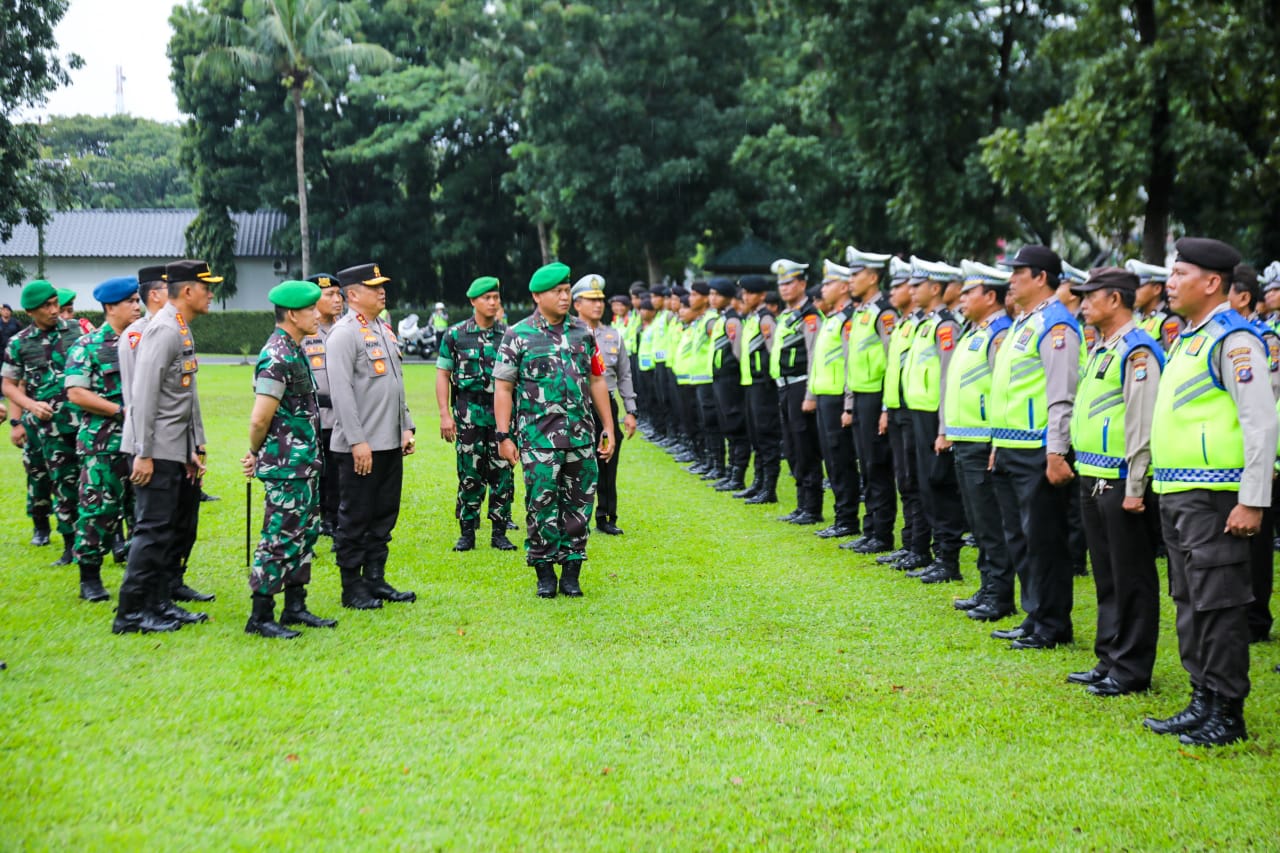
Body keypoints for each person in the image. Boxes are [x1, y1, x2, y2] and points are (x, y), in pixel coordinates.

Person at [1143, 237, 1276, 746]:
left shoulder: (1234, 340)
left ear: (1212, 282)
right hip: (1179, 490)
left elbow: (1260, 423)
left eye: (1181, 274)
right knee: (1189, 600)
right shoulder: (1189, 338)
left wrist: (1252, 499)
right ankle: (1201, 697)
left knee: (1219, 603)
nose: (1170, 283)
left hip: (1215, 495)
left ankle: (1227, 711)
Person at [1067, 267, 1163, 696]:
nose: (1084, 303)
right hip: (1093, 473)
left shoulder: (1137, 350)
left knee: (1132, 577)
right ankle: (1109, 656)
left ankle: (1131, 667)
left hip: (1121, 478)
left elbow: (1141, 423)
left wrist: (1136, 485)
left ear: (1115, 300)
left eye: (1091, 296)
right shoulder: (1104, 346)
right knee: (1107, 574)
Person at [494, 262, 616, 598]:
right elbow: (503, 387)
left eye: (566, 291)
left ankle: (572, 572)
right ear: (537, 296)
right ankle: (545, 572)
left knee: (580, 506)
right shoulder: (518, 334)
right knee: (541, 505)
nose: (565, 297)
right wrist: (503, 435)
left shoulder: (582, 333)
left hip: (580, 437)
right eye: (557, 292)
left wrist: (608, 425)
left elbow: (596, 379)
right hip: (538, 440)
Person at [114, 260, 219, 634]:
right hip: (153, 449)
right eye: (206, 287)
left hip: (170, 448)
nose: (211, 294)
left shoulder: (179, 326)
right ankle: (130, 613)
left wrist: (188, 448)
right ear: (187, 291)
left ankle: (158, 603)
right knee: (152, 530)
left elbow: (179, 400)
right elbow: (143, 396)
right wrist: (143, 452)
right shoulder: (163, 329)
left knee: (166, 530)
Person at [988, 245, 1080, 650]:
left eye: (1018, 272)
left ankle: (1053, 623)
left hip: (1038, 448)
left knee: (1044, 539)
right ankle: (1034, 613)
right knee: (1020, 538)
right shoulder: (1023, 322)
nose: (1010, 280)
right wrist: (997, 443)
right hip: (1011, 444)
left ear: (1041, 277)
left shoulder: (1056, 325)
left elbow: (1062, 393)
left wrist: (1056, 450)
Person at [241, 280, 337, 639]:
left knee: (304, 533)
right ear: (293, 314)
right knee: (279, 536)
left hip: (303, 463)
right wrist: (254, 452)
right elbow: (260, 418)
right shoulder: (277, 355)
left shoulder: (295, 349)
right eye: (311, 309)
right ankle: (261, 613)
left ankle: (295, 606)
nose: (317, 314)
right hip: (285, 466)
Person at [327, 262, 417, 609]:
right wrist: (357, 441)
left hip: (389, 441)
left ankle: (375, 579)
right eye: (374, 287)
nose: (382, 291)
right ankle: (352, 587)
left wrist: (406, 426)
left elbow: (396, 384)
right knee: (356, 517)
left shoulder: (383, 329)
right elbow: (341, 393)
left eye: (382, 286)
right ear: (352, 294)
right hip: (360, 446)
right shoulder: (344, 334)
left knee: (383, 514)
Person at [64, 276, 142, 602]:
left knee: (142, 511)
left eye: (138, 300)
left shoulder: (143, 341)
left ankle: (142, 577)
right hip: (103, 443)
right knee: (99, 509)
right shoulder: (88, 345)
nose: (137, 307)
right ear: (110, 307)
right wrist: (121, 411)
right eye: (130, 302)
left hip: (141, 443)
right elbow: (76, 392)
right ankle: (90, 578)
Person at [943, 261, 1014, 619]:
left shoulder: (999, 333)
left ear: (990, 296)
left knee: (989, 522)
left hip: (983, 439)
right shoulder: (975, 331)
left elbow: (1002, 389)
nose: (962, 298)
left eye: (969, 292)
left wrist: (996, 440)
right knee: (977, 520)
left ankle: (1000, 595)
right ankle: (987, 586)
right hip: (965, 436)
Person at [2, 280, 82, 564]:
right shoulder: (19, 343)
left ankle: (113, 541)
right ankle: (70, 544)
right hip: (50, 428)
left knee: (95, 483)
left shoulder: (78, 330)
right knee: (62, 484)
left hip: (86, 423)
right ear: (30, 311)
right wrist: (29, 406)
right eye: (46, 306)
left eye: (55, 303)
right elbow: (9, 385)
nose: (53, 310)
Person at [435, 275, 516, 552]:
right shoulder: (455, 335)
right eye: (487, 298)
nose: (493, 303)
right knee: (469, 472)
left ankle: (499, 533)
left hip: (501, 414)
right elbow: (443, 374)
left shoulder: (509, 335)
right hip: (468, 412)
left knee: (503, 472)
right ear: (473, 301)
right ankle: (467, 532)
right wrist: (444, 414)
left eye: (496, 298)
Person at [902, 257, 965, 583]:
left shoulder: (945, 326)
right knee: (925, 485)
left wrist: (944, 427)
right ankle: (934, 554)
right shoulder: (925, 323)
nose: (911, 290)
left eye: (918, 285)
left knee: (940, 486)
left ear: (935, 288)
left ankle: (948, 560)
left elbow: (947, 379)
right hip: (918, 411)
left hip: (934, 415)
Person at [840, 247, 898, 555]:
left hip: (877, 396)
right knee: (866, 465)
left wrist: (886, 407)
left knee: (877, 466)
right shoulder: (861, 312)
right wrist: (849, 402)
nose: (850, 280)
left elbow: (892, 362)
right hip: (861, 396)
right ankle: (870, 529)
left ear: (873, 277)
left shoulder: (884, 313)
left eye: (856, 274)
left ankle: (882, 533)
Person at [572, 274, 638, 534]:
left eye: (600, 300)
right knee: (575, 464)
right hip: (576, 405)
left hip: (606, 406)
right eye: (592, 300)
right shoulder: (568, 334)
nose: (598, 305)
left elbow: (624, 375)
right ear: (577, 304)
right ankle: (575, 518)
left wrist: (630, 410)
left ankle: (606, 516)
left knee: (607, 462)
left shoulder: (613, 335)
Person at [877, 259, 930, 571]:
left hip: (914, 411)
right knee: (904, 480)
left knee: (915, 479)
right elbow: (894, 371)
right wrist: (886, 409)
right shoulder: (904, 324)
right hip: (897, 409)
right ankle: (909, 543)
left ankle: (919, 547)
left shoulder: (923, 324)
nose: (893, 292)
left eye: (899, 286)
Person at [769, 258, 824, 525]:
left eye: (789, 283)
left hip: (801, 385)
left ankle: (812, 507)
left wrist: (810, 394)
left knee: (805, 447)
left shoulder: (810, 316)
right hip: (784, 386)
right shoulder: (786, 316)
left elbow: (814, 356)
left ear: (802, 284)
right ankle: (802, 503)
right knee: (791, 447)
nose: (784, 288)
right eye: (781, 284)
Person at [808, 260, 860, 539]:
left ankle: (848, 519)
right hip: (825, 396)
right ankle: (842, 516)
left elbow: (852, 363)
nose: (823, 289)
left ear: (842, 287)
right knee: (832, 459)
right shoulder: (833, 318)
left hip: (838, 397)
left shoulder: (848, 320)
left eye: (829, 284)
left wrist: (848, 404)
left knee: (841, 460)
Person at [302, 272, 344, 537]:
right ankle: (316, 518)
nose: (337, 300)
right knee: (316, 471)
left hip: (341, 417)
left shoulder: (346, 328)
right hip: (313, 416)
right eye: (330, 295)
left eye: (339, 294)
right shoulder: (303, 331)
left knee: (339, 472)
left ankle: (334, 517)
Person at [736, 274, 782, 504]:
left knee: (766, 435)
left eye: (750, 293)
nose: (745, 297)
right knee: (756, 435)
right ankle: (758, 482)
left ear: (762, 295)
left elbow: (774, 351)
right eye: (744, 293)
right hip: (750, 383)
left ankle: (769, 487)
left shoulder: (765, 319)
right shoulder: (752, 318)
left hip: (763, 385)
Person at [707, 277, 749, 492]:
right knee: (726, 424)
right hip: (719, 378)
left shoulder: (732, 320)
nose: (712, 298)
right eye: (711, 294)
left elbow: (738, 352)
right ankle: (731, 471)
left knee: (735, 424)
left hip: (731, 379)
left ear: (728, 297)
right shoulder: (721, 318)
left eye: (717, 295)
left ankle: (738, 475)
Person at [1127, 259, 1183, 351]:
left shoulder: (1170, 321)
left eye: (1138, 287)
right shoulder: (1134, 317)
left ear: (1157, 289)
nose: (1133, 292)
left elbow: (1175, 356)